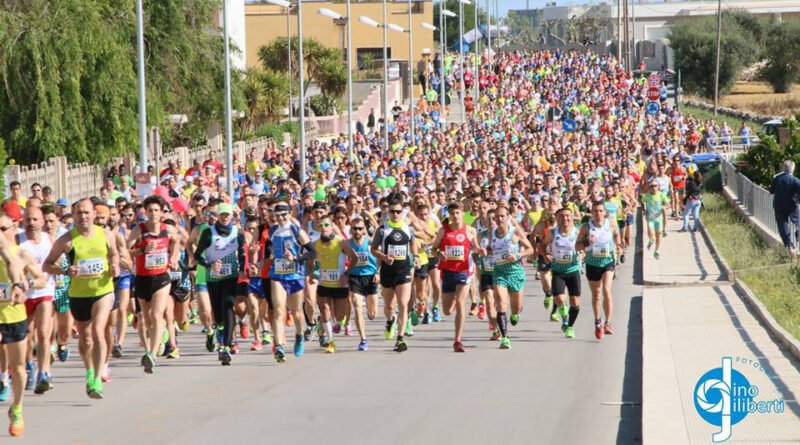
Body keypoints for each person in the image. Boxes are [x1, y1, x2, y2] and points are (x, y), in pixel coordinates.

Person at [43, 199, 120, 399]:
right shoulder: (67, 240)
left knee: (97, 331)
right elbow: (47, 265)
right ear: (73, 215)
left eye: (86, 212)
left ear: (94, 214)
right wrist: (66, 269)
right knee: (85, 339)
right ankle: (89, 371)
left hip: (103, 290)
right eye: (78, 213)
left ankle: (98, 375)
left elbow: (114, 255)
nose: (83, 216)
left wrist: (115, 266)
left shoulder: (106, 234)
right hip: (78, 295)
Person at [192, 203, 246, 365]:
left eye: (227, 215)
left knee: (228, 305)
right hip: (213, 278)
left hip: (231, 276)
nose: (225, 218)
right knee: (218, 313)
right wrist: (209, 265)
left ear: (232, 216)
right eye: (222, 215)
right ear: (218, 216)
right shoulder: (209, 232)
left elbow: (242, 253)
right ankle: (220, 330)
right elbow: (197, 256)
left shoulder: (238, 233)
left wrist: (243, 268)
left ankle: (226, 346)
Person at [431, 202, 483, 352]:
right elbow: (434, 249)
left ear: (462, 213)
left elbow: (476, 247)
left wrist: (481, 250)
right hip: (447, 271)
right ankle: (453, 300)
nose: (455, 216)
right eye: (452, 214)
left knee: (461, 303)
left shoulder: (470, 230)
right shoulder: (443, 231)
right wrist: (439, 253)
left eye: (457, 213)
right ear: (449, 215)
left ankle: (458, 340)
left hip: (463, 271)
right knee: (447, 311)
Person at [371, 195, 418, 353]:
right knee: (389, 306)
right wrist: (384, 257)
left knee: (403, 304)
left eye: (398, 211)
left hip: (403, 271)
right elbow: (373, 249)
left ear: (402, 211)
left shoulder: (407, 228)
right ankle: (390, 321)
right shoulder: (383, 230)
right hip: (387, 272)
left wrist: (416, 256)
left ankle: (400, 338)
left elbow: (413, 242)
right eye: (392, 212)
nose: (396, 214)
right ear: (388, 212)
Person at [487, 205, 533, 349]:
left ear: (508, 218)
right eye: (497, 216)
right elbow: (489, 249)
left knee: (515, 309)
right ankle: (505, 337)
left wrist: (518, 255)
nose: (499, 219)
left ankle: (515, 313)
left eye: (502, 216)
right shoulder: (491, 233)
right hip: (499, 272)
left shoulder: (515, 232)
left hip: (515, 272)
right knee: (501, 303)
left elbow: (531, 249)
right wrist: (485, 251)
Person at [576, 201, 621, 340]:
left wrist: (618, 246)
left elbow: (616, 235)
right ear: (592, 212)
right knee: (596, 295)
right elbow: (577, 246)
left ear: (605, 212)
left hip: (608, 262)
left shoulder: (611, 224)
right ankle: (597, 321)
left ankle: (608, 322)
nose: (598, 214)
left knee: (607, 290)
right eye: (595, 211)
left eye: (600, 211)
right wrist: (587, 242)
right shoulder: (586, 227)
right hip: (592, 263)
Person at [541, 208, 582, 339]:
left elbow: (584, 247)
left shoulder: (577, 232)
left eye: (567, 216)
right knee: (559, 298)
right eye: (562, 216)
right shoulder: (552, 233)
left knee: (575, 301)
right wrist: (545, 254)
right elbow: (541, 245)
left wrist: (583, 253)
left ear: (572, 218)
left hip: (573, 270)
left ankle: (570, 326)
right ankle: (565, 317)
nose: (565, 219)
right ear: (557, 219)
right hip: (558, 270)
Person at [768, 160, 800, 253]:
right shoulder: (795, 180)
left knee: (783, 227)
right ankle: (798, 237)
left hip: (779, 206)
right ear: (792, 169)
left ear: (783, 168)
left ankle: (789, 246)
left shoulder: (777, 179)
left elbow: (771, 190)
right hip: (792, 206)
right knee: (798, 221)